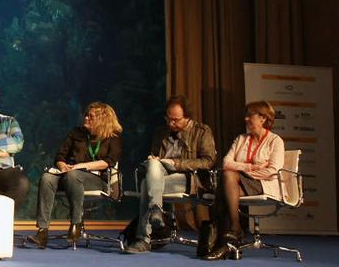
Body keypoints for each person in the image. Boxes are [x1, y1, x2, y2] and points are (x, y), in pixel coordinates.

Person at [125, 95, 216, 253]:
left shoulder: (202, 131)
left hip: (188, 178)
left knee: (146, 184)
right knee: (153, 164)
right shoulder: (161, 132)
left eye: (176, 120)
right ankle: (155, 210)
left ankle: (143, 239)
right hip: (161, 174)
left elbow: (208, 161)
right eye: (168, 119)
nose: (171, 123)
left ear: (187, 117)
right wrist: (153, 158)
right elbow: (155, 156)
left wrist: (177, 163)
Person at [29, 101, 122, 249]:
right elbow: (60, 156)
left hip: (97, 179)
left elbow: (109, 162)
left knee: (74, 175)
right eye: (86, 115)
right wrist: (62, 166)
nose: (86, 119)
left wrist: (80, 166)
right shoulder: (76, 133)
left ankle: (76, 223)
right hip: (69, 174)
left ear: (102, 119)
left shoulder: (113, 137)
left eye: (91, 117)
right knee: (47, 177)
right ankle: (42, 231)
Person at [202, 101, 285, 260]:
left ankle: (231, 233)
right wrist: (250, 167)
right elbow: (226, 162)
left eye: (250, 116)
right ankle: (231, 238)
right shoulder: (241, 139)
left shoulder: (275, 141)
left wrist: (246, 173)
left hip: (263, 184)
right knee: (227, 181)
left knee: (227, 180)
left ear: (262, 118)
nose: (246, 119)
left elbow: (273, 170)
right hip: (240, 182)